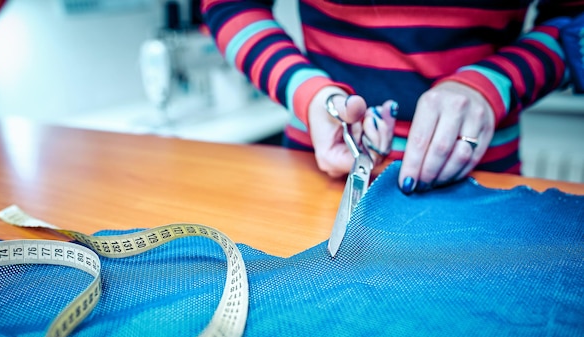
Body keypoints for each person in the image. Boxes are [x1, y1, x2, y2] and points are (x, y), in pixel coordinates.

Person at [200, 0, 583, 193]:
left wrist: (491, 85)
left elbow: (575, 22)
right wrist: (308, 93)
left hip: (481, 180)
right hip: (319, 175)